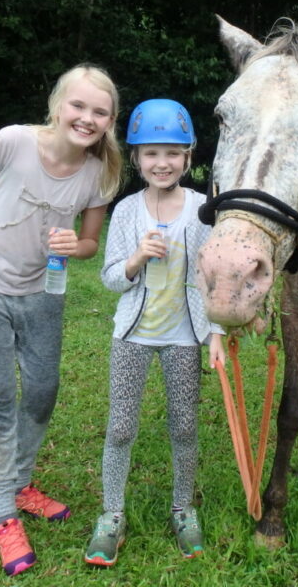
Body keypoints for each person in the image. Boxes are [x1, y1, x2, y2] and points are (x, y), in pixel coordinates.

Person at [0, 64, 122, 577]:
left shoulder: (100, 173)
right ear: (58, 105)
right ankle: (4, 514)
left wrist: (77, 246)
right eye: (78, 105)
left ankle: (20, 482)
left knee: (42, 389)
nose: (86, 118)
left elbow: (90, 242)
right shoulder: (12, 142)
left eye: (99, 112)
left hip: (43, 289)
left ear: (110, 121)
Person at [84, 99, 225, 566]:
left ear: (188, 157)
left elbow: (212, 277)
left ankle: (183, 508)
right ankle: (111, 514)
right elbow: (110, 278)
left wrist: (216, 334)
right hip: (132, 337)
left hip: (184, 338)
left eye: (172, 153)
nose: (162, 163)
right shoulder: (127, 211)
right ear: (136, 158)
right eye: (151, 153)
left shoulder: (203, 210)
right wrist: (136, 259)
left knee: (184, 426)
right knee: (121, 427)